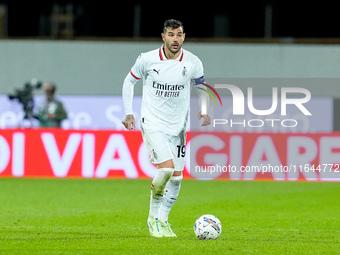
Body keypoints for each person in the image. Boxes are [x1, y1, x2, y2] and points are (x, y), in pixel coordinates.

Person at [121, 19, 211, 238]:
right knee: (166, 169)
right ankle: (152, 219)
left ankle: (164, 220)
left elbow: (202, 87)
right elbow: (128, 82)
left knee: (178, 177)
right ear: (163, 37)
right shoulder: (147, 59)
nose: (175, 39)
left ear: (184, 37)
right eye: (171, 34)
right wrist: (128, 112)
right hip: (153, 123)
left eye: (179, 35)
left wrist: (204, 109)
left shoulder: (192, 62)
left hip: (179, 126)